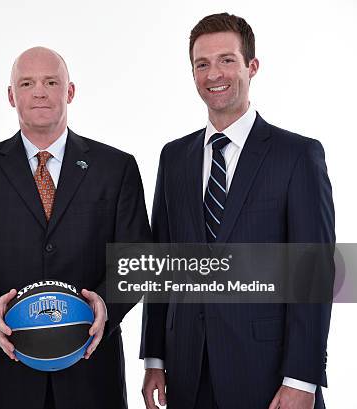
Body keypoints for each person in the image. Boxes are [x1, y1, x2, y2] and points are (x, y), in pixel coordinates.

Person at [140, 13, 334, 409]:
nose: (214, 74)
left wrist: (303, 379)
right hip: (187, 368)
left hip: (268, 371)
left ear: (252, 66)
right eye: (202, 63)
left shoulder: (297, 156)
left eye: (227, 60)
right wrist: (154, 359)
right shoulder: (174, 157)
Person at [0, 46, 151, 409]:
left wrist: (105, 303)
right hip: (6, 376)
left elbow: (138, 259)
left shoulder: (116, 168)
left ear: (69, 92)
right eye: (27, 83)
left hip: (90, 375)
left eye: (51, 81)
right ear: (11, 95)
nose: (39, 91)